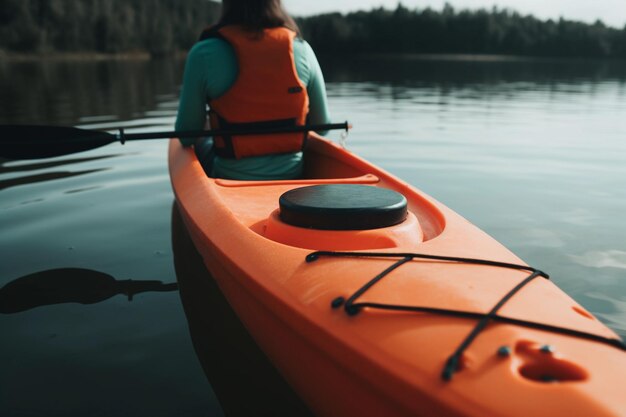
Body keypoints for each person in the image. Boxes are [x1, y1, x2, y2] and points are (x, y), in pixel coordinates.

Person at [175, 0, 330, 180]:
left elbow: (186, 136)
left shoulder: (202, 53)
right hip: (292, 177)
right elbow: (323, 126)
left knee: (201, 140)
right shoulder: (302, 50)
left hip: (229, 179)